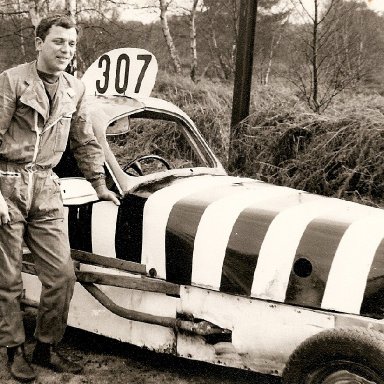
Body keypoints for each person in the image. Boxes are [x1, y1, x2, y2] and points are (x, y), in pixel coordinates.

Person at [0, 14, 120, 382]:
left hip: (47, 187)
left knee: (61, 275)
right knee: (7, 277)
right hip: (7, 183)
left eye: (72, 44)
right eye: (58, 42)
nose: (67, 50)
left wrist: (99, 185)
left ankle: (46, 347)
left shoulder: (76, 88)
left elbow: (85, 139)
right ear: (39, 43)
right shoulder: (11, 81)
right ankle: (12, 351)